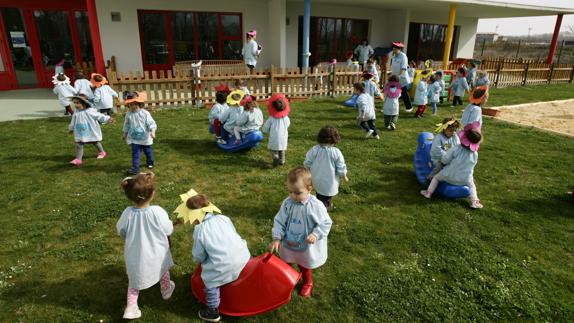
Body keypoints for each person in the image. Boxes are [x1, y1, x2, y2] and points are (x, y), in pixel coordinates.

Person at [117, 172, 175, 320]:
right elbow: (168, 229)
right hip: (158, 252)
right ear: (152, 194)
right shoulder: (158, 211)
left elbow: (121, 231)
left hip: (135, 254)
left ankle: (131, 307)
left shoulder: (127, 213)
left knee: (134, 279)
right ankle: (166, 290)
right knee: (163, 269)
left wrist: (129, 237)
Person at [269, 166, 333, 297]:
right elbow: (279, 220)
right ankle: (287, 279)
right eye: (290, 192)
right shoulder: (287, 203)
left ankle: (307, 282)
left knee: (304, 264)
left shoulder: (315, 206)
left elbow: (326, 222)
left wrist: (316, 234)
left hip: (306, 243)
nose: (293, 196)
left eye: (297, 193)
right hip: (288, 240)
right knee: (286, 262)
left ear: (309, 189)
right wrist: (277, 238)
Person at [186, 192, 250, 322]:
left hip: (225, 265)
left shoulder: (200, 230)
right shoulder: (223, 218)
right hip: (243, 256)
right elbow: (233, 233)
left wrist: (200, 260)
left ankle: (212, 310)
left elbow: (199, 255)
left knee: (210, 281)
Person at [421, 121, 483, 209]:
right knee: (472, 186)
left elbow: (445, 159)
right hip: (465, 179)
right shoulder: (475, 154)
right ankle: (474, 201)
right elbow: (472, 165)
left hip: (449, 176)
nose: (454, 133)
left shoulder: (456, 148)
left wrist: (443, 162)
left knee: (436, 178)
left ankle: (428, 193)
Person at [304, 126, 349, 209]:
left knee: (320, 194)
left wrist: (307, 171)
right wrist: (344, 175)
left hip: (316, 179)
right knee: (326, 196)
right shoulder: (336, 152)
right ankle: (323, 211)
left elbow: (307, 162)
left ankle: (324, 204)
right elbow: (341, 166)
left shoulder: (315, 149)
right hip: (329, 181)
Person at [67, 95, 114, 166]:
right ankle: (78, 159)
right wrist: (71, 128)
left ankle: (102, 152)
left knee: (95, 142)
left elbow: (99, 116)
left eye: (78, 103)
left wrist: (108, 118)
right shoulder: (76, 112)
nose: (76, 105)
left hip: (90, 130)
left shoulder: (90, 111)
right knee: (79, 144)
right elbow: (73, 121)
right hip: (80, 132)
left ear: (84, 103)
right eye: (74, 103)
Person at [122, 91, 158, 175]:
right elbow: (126, 125)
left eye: (132, 104)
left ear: (138, 103)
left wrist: (153, 132)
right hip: (134, 138)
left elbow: (151, 123)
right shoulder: (128, 114)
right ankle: (135, 168)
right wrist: (124, 134)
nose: (130, 106)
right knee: (135, 153)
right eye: (129, 105)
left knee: (148, 151)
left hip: (145, 138)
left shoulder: (145, 113)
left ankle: (150, 162)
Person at [262, 93, 291, 166]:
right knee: (282, 149)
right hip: (283, 136)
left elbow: (266, 127)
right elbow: (288, 124)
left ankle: (276, 158)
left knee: (273, 149)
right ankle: (282, 161)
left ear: (273, 107)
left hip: (274, 137)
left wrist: (264, 130)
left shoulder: (271, 118)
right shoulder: (286, 118)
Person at [388, 42, 413, 112]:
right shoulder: (394, 56)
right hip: (394, 77)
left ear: (399, 49)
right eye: (393, 48)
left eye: (395, 49)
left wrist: (398, 76)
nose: (394, 50)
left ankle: (409, 107)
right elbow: (392, 67)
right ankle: (390, 106)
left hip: (401, 78)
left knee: (404, 93)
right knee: (392, 92)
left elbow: (403, 68)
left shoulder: (403, 56)